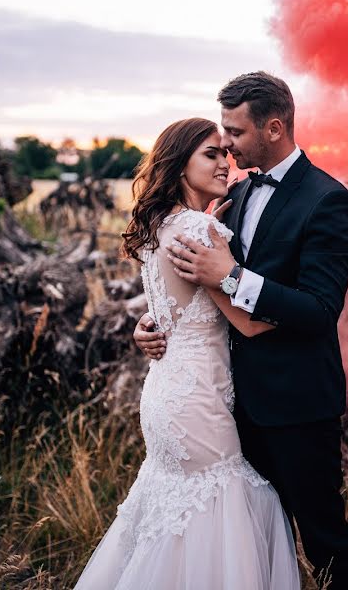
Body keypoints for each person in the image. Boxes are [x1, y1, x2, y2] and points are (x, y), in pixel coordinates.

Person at [136, 71, 348, 589]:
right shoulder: (231, 196)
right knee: (250, 532)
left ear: (275, 127)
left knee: (323, 538)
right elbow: (191, 291)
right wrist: (152, 322)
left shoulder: (327, 200)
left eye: (235, 134)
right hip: (224, 404)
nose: (229, 150)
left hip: (296, 404)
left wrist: (233, 277)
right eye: (221, 138)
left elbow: (320, 309)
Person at [74, 117, 300, 590]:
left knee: (177, 512)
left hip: (165, 391)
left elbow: (170, 310)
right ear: (180, 166)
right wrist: (310, 311)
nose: (225, 162)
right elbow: (247, 321)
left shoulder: (162, 225)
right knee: (220, 510)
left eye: (225, 151)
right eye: (211, 154)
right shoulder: (199, 229)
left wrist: (146, 326)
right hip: (197, 399)